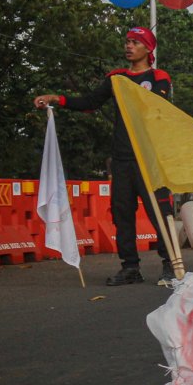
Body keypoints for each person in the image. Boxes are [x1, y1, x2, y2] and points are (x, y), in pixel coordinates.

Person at [34, 27, 175, 287]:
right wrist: (57, 99)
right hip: (121, 158)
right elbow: (90, 102)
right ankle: (130, 267)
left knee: (160, 212)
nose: (128, 46)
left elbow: (159, 107)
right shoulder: (116, 78)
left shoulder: (158, 77)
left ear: (148, 48)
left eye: (135, 42)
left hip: (150, 158)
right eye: (127, 41)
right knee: (122, 214)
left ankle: (171, 266)